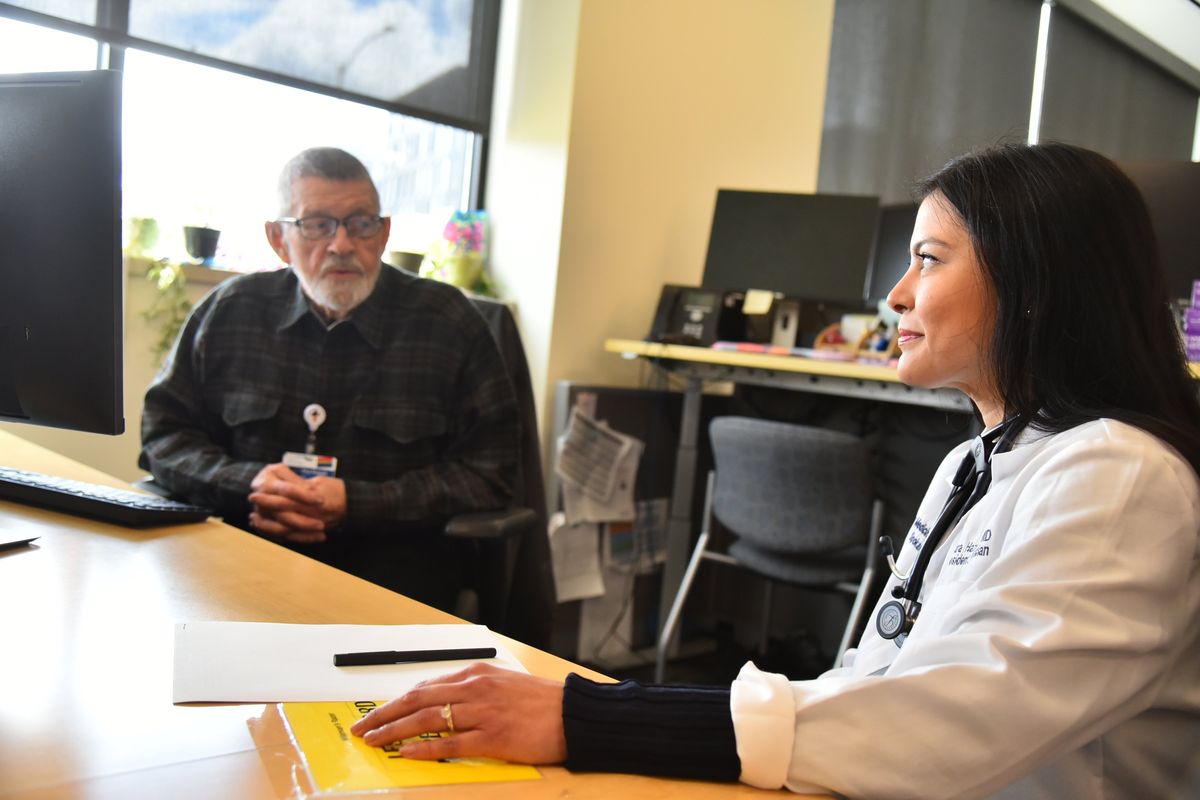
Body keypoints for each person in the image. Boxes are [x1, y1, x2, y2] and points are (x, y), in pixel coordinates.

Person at [348, 142, 1200, 799]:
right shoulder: (976, 461)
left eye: (929, 260)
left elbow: (957, 720)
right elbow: (874, 680)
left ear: (1033, 289)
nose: (896, 296)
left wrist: (590, 714)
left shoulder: (1121, 475)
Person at [140, 147, 520, 612]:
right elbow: (163, 436)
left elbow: (491, 472)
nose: (341, 244)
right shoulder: (231, 312)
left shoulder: (448, 324)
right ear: (278, 239)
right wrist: (249, 482)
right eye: (316, 225)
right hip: (244, 552)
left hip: (391, 572)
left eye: (360, 223)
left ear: (383, 235)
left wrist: (357, 503)